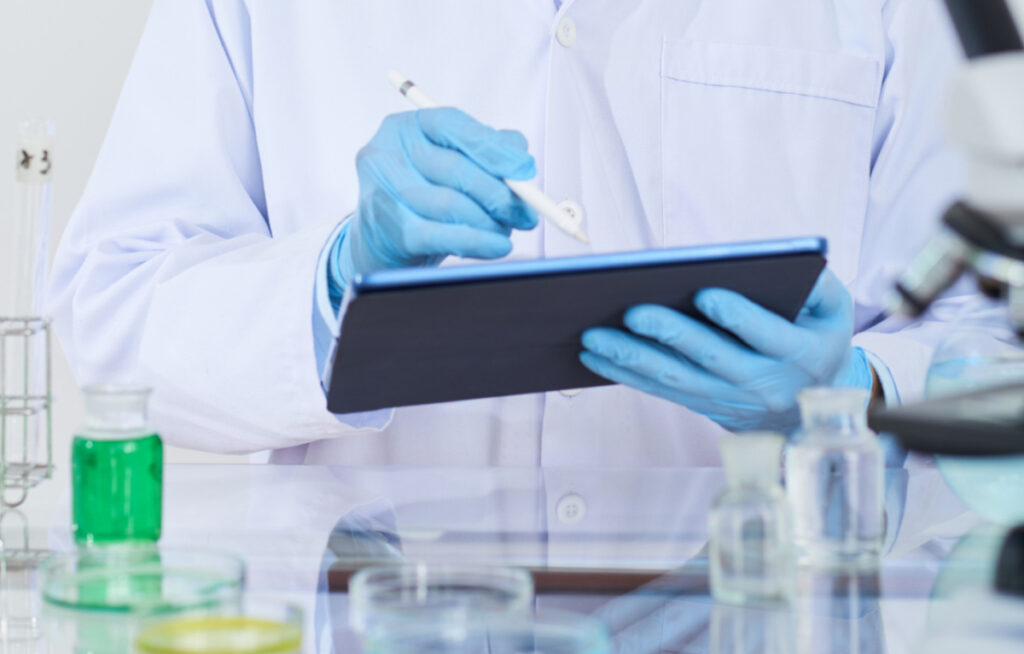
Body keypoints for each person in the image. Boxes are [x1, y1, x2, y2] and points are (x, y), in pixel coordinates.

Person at [49, 0, 987, 466]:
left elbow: (996, 329)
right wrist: (332, 285)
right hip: (380, 625)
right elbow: (117, 306)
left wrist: (857, 397)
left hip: (767, 616)